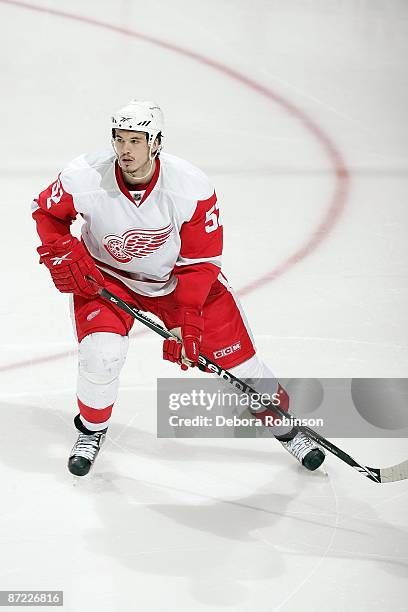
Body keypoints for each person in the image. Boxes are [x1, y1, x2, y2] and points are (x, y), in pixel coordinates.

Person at [32, 99, 325, 477]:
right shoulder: (83, 175)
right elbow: (48, 214)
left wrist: (187, 320)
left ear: (156, 143)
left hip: (180, 284)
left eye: (136, 140)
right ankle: (91, 431)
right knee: (100, 356)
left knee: (244, 368)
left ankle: (287, 430)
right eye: (119, 139)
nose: (125, 150)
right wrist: (61, 249)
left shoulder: (190, 187)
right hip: (107, 281)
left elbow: (201, 262)